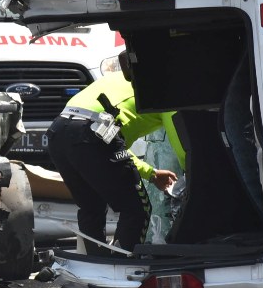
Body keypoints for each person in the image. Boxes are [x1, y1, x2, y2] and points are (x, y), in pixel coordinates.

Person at [45, 64, 178, 255]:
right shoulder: (166, 94)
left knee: (91, 207)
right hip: (93, 133)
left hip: (60, 131)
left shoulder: (119, 78)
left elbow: (112, 149)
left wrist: (151, 173)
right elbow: (183, 145)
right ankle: (122, 265)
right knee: (136, 209)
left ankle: (95, 266)